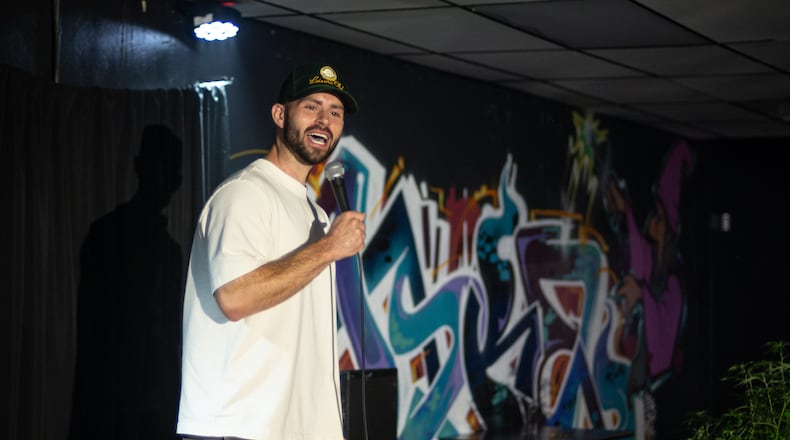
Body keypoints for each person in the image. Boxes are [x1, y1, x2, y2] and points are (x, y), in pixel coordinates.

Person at [176, 64, 366, 440]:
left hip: (291, 427)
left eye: (335, 112)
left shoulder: (313, 209)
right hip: (238, 426)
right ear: (280, 115)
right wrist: (327, 248)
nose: (324, 120)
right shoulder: (244, 194)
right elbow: (234, 297)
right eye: (312, 107)